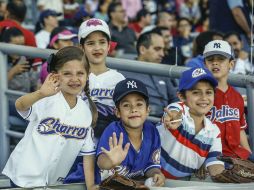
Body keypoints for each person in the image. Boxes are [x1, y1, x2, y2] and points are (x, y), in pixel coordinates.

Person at [2, 46, 98, 190]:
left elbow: (88, 154)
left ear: (87, 75)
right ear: (55, 75)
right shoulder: (47, 98)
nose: (74, 79)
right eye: (67, 73)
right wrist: (40, 93)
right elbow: (20, 105)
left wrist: (91, 186)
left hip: (53, 182)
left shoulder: (85, 112)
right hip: (24, 176)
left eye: (80, 73)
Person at [64, 18, 125, 183]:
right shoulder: (74, 77)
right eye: (90, 43)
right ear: (81, 47)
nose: (97, 48)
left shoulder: (118, 78)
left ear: (109, 45)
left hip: (104, 145)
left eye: (102, 42)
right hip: (74, 142)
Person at [157, 67, 225, 180]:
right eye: (196, 92)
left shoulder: (214, 131)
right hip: (154, 175)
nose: (204, 98)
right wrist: (173, 119)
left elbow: (215, 164)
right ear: (182, 96)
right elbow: (174, 111)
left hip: (183, 183)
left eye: (208, 92)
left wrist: (224, 178)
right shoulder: (179, 111)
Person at [96, 78, 165, 186]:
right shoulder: (113, 130)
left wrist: (156, 174)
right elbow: (101, 162)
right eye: (126, 105)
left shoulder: (151, 131)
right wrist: (110, 161)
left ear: (147, 110)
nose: (133, 109)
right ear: (117, 112)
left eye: (139, 104)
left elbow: (151, 166)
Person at [203, 40, 254, 161]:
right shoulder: (201, 96)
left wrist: (249, 155)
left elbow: (240, 129)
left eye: (221, 59)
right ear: (205, 65)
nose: (215, 63)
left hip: (237, 153)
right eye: (210, 60)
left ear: (231, 64)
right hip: (212, 156)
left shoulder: (237, 97)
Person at [121, 31, 178, 117]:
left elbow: (174, 97)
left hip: (166, 121)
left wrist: (174, 112)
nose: (162, 54)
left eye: (163, 50)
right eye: (157, 49)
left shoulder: (163, 71)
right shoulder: (125, 73)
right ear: (142, 50)